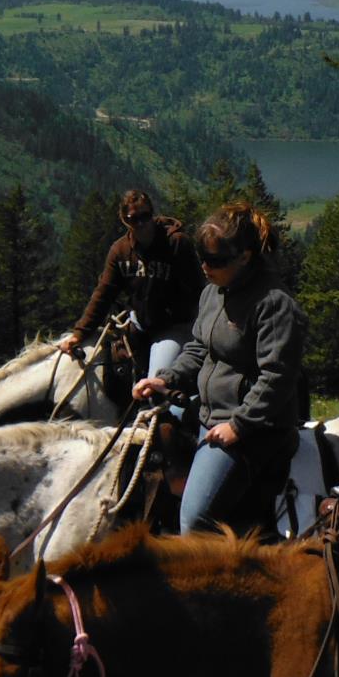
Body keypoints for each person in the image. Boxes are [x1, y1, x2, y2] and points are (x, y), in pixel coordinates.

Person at [131, 200, 306, 534]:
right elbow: (199, 347)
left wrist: (238, 427)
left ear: (245, 256)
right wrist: (165, 380)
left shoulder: (274, 305)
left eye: (215, 260)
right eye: (202, 258)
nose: (205, 267)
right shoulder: (213, 292)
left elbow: (277, 378)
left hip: (253, 428)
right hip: (210, 411)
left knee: (194, 519)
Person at [61, 189, 203, 382]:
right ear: (124, 220)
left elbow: (197, 288)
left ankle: (160, 410)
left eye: (145, 216)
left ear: (152, 214)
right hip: (138, 326)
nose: (141, 224)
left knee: (156, 384)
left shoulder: (177, 243)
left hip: (172, 328)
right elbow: (104, 293)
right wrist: (79, 333)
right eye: (133, 219)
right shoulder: (120, 251)